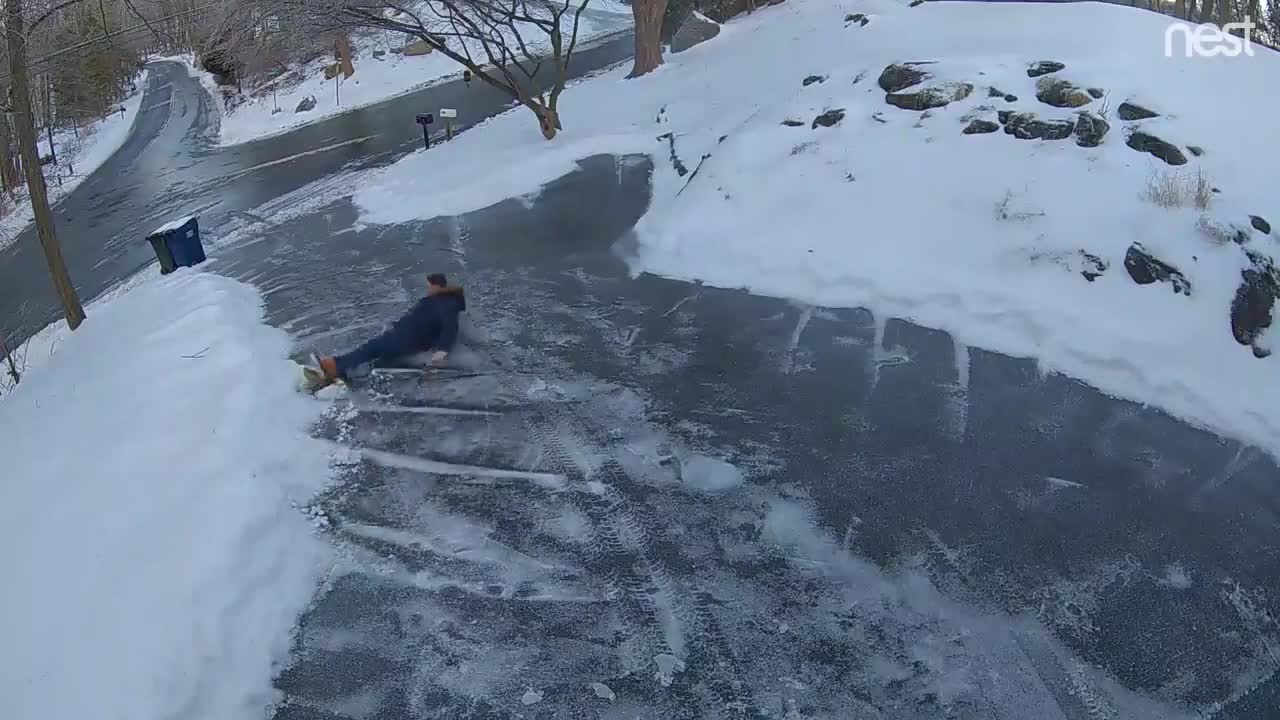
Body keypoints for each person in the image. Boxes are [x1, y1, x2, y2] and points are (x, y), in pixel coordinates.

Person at [313, 273, 466, 382]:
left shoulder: (446, 304)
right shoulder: (441, 301)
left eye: (430, 286)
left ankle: (334, 367)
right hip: (406, 336)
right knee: (379, 357)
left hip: (408, 338)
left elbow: (450, 328)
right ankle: (346, 373)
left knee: (370, 349)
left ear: (437, 286)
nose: (428, 289)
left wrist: (441, 352)